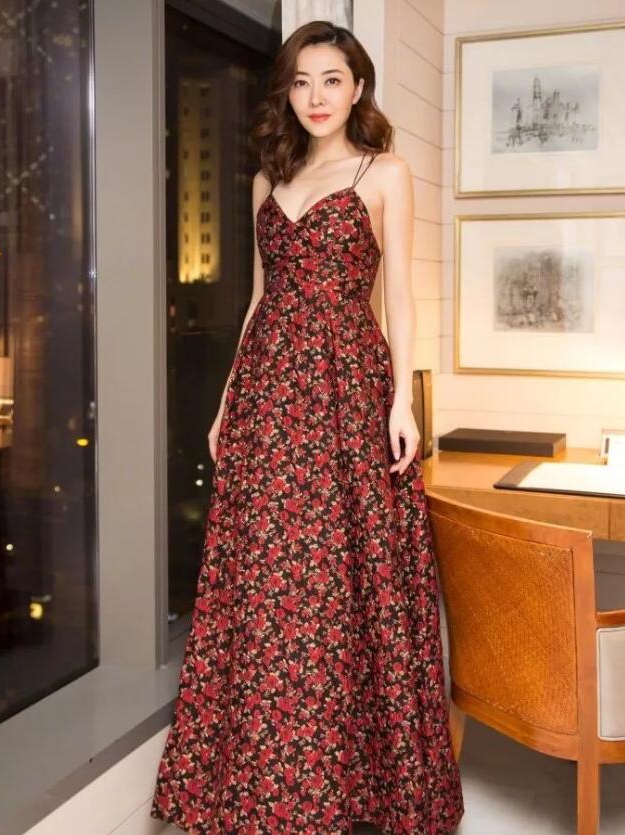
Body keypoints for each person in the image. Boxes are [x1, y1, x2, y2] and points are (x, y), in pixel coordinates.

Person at [150, 19, 464, 835]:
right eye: (300, 81)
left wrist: (403, 402)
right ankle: (271, 789)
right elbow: (259, 300)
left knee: (342, 579)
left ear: (357, 88)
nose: (316, 96)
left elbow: (400, 298)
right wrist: (227, 398)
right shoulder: (269, 179)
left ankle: (357, 786)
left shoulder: (384, 172)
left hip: (347, 389)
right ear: (286, 93)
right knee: (267, 581)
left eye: (331, 80)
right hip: (268, 395)